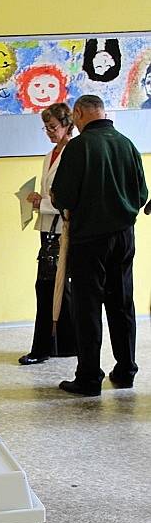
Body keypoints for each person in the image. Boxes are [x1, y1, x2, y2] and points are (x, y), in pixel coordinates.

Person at [51, 95, 148, 396]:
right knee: (122, 303)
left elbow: (64, 197)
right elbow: (142, 194)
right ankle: (126, 370)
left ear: (78, 113)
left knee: (88, 308)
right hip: (124, 236)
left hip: (89, 239)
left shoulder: (78, 147)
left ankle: (90, 377)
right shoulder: (127, 144)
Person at [20, 103, 76, 365]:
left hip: (62, 228)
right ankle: (64, 344)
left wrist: (40, 202)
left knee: (47, 287)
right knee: (56, 287)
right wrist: (38, 200)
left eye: (53, 127)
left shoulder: (73, 153)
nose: (49, 132)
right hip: (47, 228)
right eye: (46, 128)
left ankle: (41, 348)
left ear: (67, 125)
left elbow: (68, 199)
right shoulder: (50, 154)